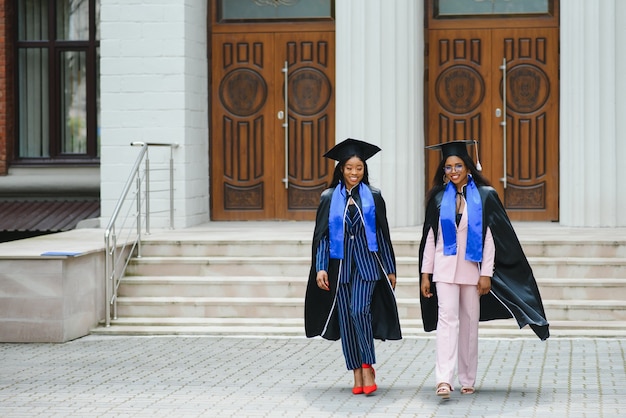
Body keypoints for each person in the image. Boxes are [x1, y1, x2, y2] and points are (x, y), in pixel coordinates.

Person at [419, 140, 549, 400]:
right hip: (443, 270)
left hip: (471, 269)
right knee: (447, 322)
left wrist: (486, 273)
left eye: (458, 165)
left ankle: (467, 379)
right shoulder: (436, 197)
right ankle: (444, 379)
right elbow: (431, 237)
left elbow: (491, 237)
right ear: (443, 171)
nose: (453, 171)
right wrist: (426, 273)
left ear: (468, 167)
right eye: (448, 167)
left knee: (468, 325)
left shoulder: (485, 195)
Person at [304, 138, 402, 396]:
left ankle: (368, 365)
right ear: (341, 169)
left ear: (364, 170)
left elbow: (382, 234)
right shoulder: (329, 198)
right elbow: (322, 236)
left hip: (368, 266)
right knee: (345, 318)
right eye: (349, 168)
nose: (354, 173)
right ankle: (356, 371)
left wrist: (390, 268)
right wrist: (321, 267)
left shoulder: (374, 197)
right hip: (341, 267)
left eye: (358, 168)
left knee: (359, 311)